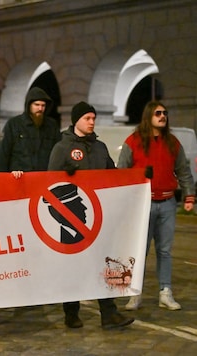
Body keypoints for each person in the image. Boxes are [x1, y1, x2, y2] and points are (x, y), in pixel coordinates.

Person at [47, 101, 134, 330]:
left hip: (99, 216)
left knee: (102, 264)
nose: (92, 122)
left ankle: (109, 312)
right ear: (76, 121)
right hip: (73, 218)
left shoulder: (100, 147)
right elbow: (49, 184)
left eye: (93, 118)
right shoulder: (62, 148)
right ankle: (71, 312)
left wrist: (137, 178)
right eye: (87, 118)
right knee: (73, 266)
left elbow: (112, 176)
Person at [118, 101, 195, 311]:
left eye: (165, 113)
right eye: (158, 113)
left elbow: (184, 172)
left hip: (168, 203)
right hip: (142, 205)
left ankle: (165, 291)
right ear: (148, 116)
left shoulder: (173, 143)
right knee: (139, 251)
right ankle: (135, 293)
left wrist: (189, 196)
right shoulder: (133, 142)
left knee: (165, 251)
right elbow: (121, 173)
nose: (163, 116)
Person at [0, 87, 61, 173]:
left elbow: (59, 151)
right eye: (36, 105)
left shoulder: (52, 126)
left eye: (43, 105)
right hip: (19, 179)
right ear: (29, 105)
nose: (40, 109)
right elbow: (3, 154)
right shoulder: (14, 124)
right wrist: (3, 179)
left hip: (44, 178)